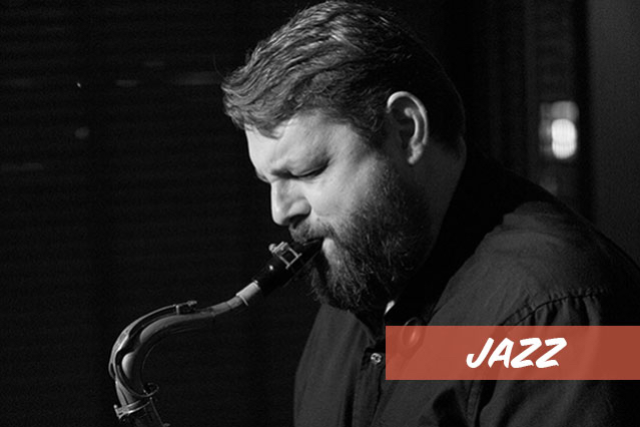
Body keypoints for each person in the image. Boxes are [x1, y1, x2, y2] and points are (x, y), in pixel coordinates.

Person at [221, 1, 640, 426]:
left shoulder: (559, 312)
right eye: (268, 180)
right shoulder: (360, 284)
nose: (280, 211)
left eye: (308, 171)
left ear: (406, 129)